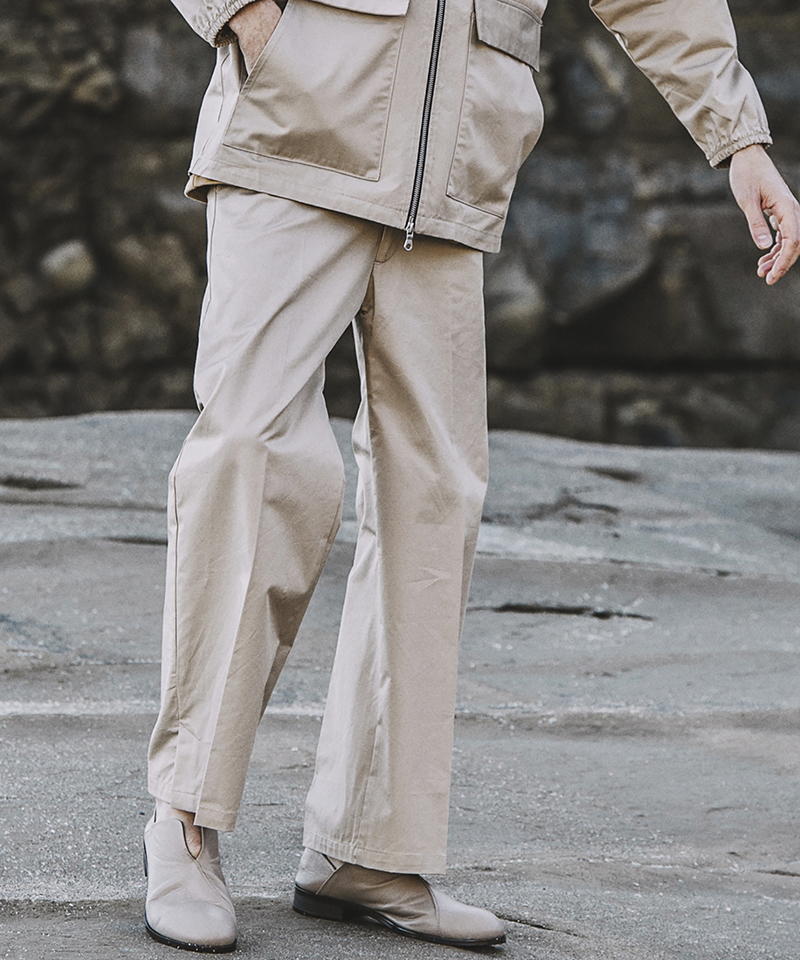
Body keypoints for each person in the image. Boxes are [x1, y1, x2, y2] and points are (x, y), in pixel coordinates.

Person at [142, 0, 800, 952]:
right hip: (297, 123)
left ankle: (368, 847)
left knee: (433, 496)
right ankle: (186, 818)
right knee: (256, 457)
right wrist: (246, 18)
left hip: (455, 160)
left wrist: (738, 138)